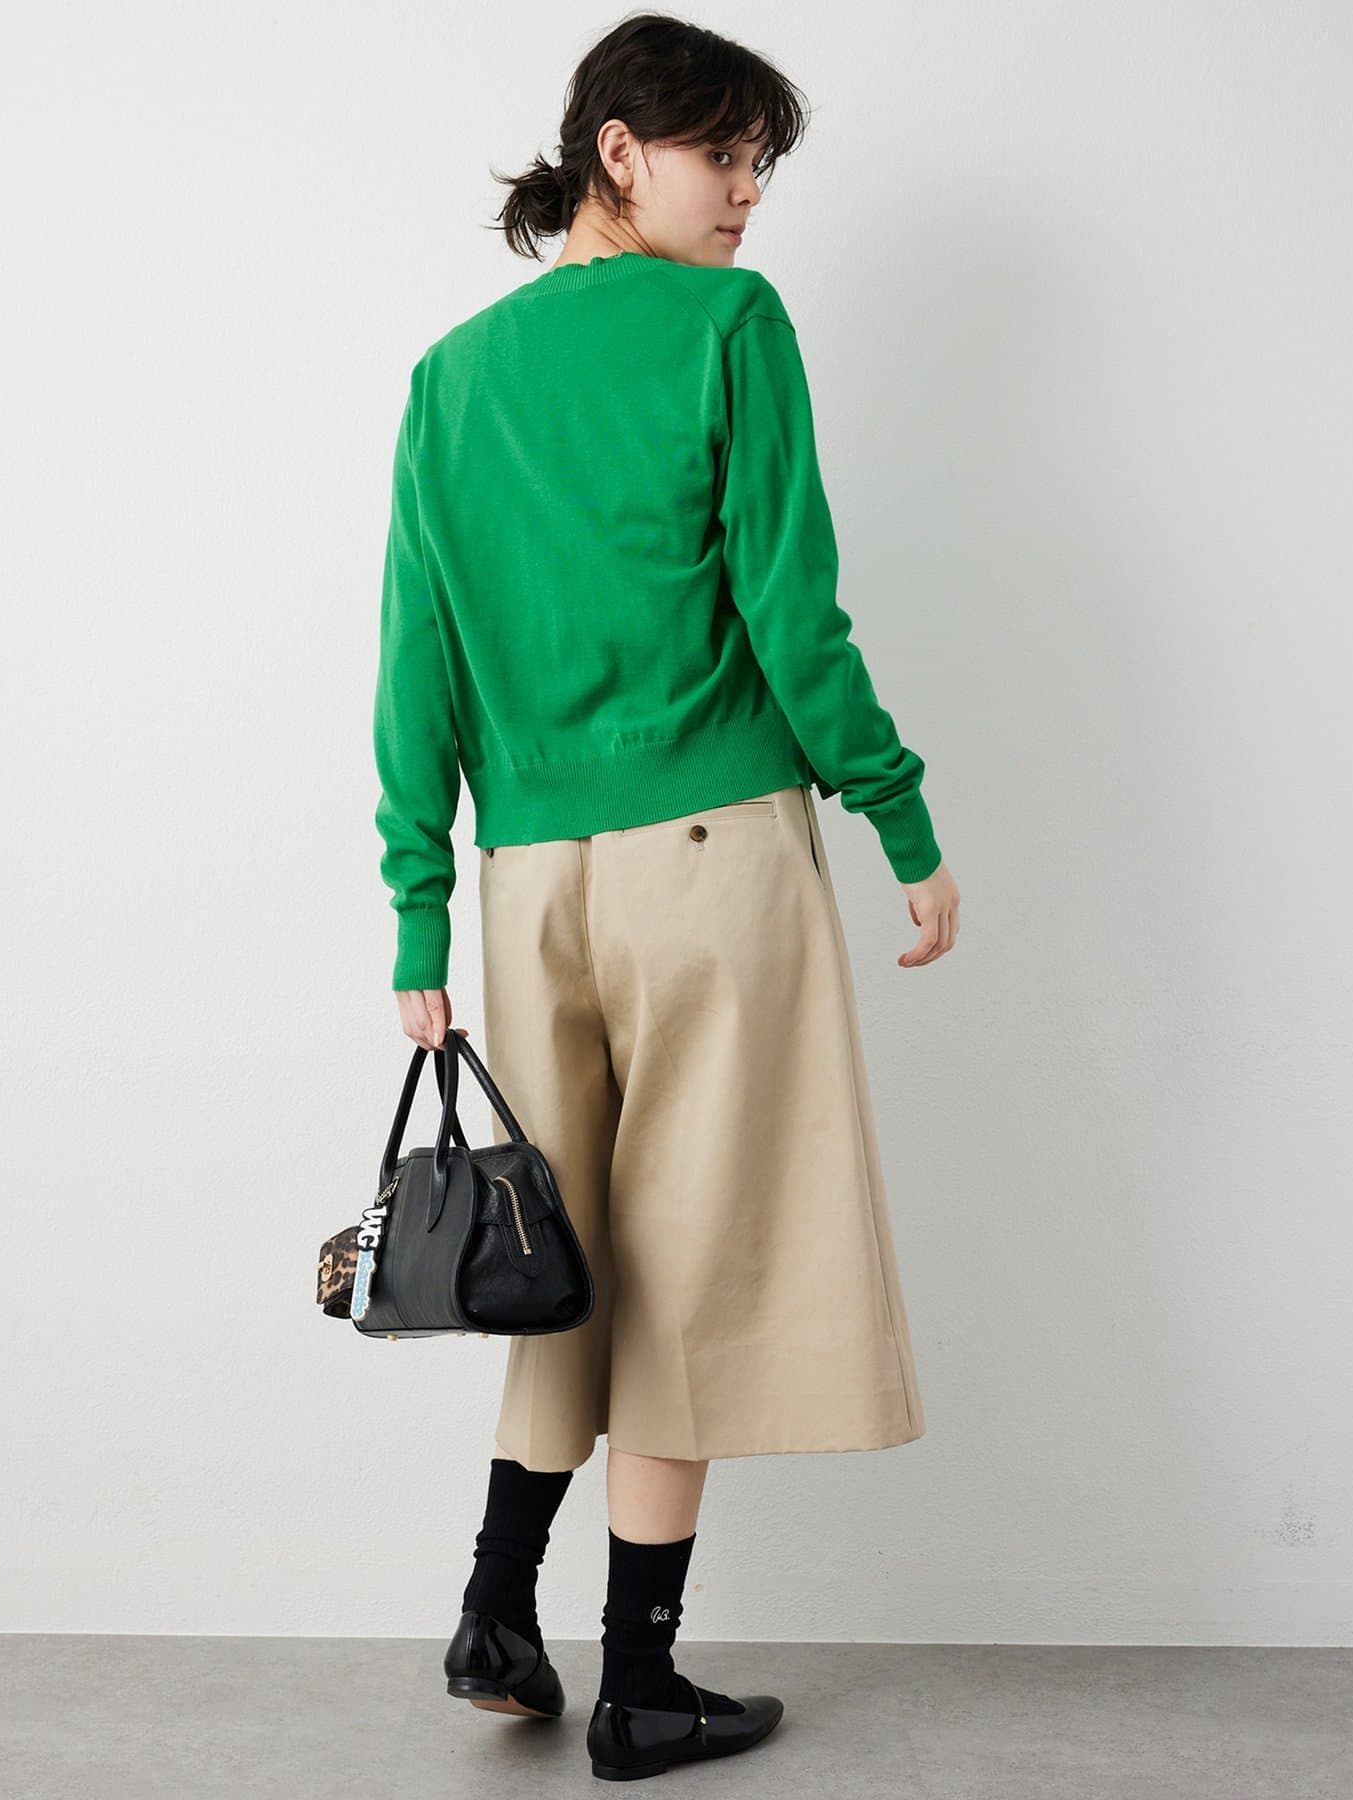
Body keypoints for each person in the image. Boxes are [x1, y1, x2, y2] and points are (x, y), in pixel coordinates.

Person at [372, 14, 961, 1782]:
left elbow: (414, 663)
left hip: (528, 884)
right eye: (725, 155)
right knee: (687, 1274)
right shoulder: (730, 329)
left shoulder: (452, 377)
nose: (749, 195)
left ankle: (495, 1611)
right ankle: (639, 1681)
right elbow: (792, 612)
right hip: (711, 860)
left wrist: (421, 910)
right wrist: (899, 809)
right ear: (618, 150)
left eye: (761, 165)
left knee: (561, 1260)